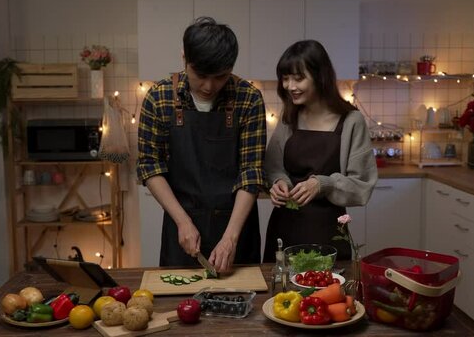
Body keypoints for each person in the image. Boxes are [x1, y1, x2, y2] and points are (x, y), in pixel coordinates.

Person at [136, 17, 267, 272]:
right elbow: (150, 167)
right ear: (184, 58)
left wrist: (230, 238)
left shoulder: (248, 98)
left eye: (220, 77)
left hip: (236, 227)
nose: (209, 86)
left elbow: (251, 173)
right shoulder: (159, 98)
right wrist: (183, 222)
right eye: (201, 75)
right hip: (182, 222)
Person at [263, 40, 377, 262]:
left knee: (328, 294)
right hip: (284, 229)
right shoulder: (289, 117)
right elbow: (273, 166)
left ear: (320, 76)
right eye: (285, 78)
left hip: (327, 233)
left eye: (298, 78)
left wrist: (323, 184)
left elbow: (362, 184)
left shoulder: (351, 121)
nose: (289, 86)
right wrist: (278, 183)